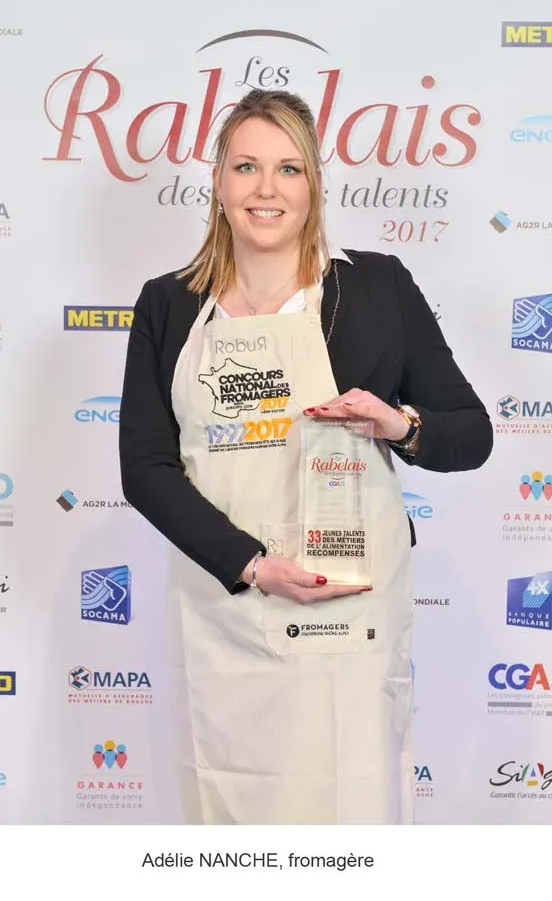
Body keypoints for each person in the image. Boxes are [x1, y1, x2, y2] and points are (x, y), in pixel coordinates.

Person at [119, 88, 491, 824]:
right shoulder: (168, 304)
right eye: (247, 166)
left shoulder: (377, 287)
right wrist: (252, 563)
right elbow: (145, 467)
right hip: (228, 606)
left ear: (314, 183)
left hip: (346, 610)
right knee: (234, 816)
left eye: (289, 168)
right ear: (219, 183)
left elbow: (469, 431)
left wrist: (398, 423)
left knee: (348, 808)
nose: (267, 189)